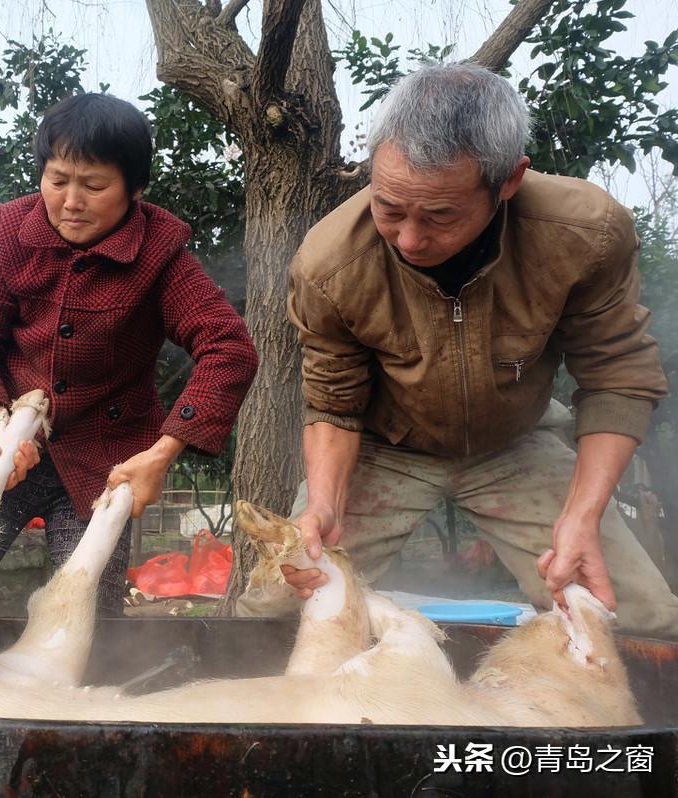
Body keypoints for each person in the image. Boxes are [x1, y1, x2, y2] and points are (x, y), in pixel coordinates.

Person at [274, 62, 678, 640]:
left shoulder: (584, 235)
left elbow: (616, 376)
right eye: (389, 208)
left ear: (508, 180)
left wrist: (580, 516)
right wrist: (325, 505)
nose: (410, 240)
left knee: (634, 616)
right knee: (278, 610)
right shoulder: (328, 263)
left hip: (516, 443)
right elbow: (334, 403)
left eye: (440, 215)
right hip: (385, 450)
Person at [0, 93, 258, 615]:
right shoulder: (10, 231)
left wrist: (160, 456)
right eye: (58, 179)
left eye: (94, 185)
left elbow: (229, 348)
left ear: (134, 189)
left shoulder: (161, 254)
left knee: (88, 620)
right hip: (3, 445)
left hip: (104, 464)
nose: (70, 201)